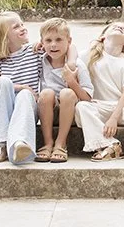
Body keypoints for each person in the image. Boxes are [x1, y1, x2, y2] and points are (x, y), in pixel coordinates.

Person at [74, 21, 124, 161]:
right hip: (99, 108)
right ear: (103, 36)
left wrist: (114, 118)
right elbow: (69, 52)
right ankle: (110, 144)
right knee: (81, 106)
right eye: (114, 26)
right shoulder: (88, 56)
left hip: (122, 110)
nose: (119, 26)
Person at [0, 11, 40, 164]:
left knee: (25, 96)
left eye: (22, 24)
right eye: (16, 27)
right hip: (0, 108)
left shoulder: (34, 51)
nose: (22, 28)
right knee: (3, 82)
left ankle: (19, 144)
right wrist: (22, 86)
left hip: (24, 109)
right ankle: (1, 144)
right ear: (4, 38)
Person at [36, 17, 93, 162]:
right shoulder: (39, 61)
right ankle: (48, 143)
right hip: (47, 110)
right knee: (46, 93)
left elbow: (87, 98)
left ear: (69, 41)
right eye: (48, 40)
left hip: (70, 113)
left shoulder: (77, 65)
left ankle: (61, 143)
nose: (53, 45)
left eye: (59, 40)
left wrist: (71, 81)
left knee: (66, 93)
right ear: (42, 43)